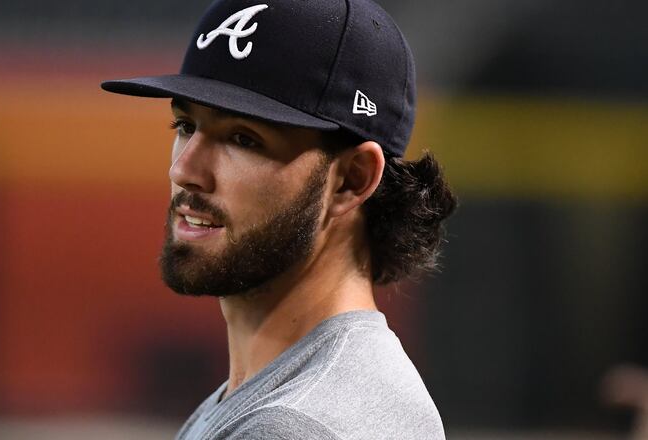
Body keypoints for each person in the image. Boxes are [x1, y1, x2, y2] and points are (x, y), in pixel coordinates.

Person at [102, 0, 457, 438]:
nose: (184, 171)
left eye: (243, 138)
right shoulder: (310, 390)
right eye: (185, 126)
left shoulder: (294, 424)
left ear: (352, 179)